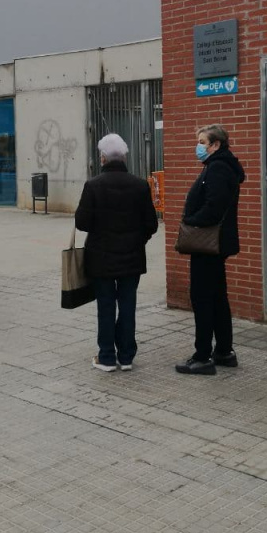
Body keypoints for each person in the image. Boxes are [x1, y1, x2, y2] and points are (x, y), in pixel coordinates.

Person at [75, 134, 158, 371]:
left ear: (102, 158)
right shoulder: (140, 185)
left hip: (101, 258)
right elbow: (151, 224)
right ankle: (127, 356)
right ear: (124, 157)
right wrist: (136, 240)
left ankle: (107, 357)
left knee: (106, 305)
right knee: (128, 304)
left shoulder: (93, 185)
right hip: (131, 257)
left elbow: (82, 222)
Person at [175, 124, 246, 376]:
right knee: (217, 296)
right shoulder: (221, 167)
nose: (199, 146)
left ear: (216, 145)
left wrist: (190, 221)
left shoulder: (217, 169)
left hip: (208, 245)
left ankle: (202, 356)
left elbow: (213, 208)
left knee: (203, 298)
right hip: (217, 245)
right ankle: (224, 351)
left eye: (203, 142)